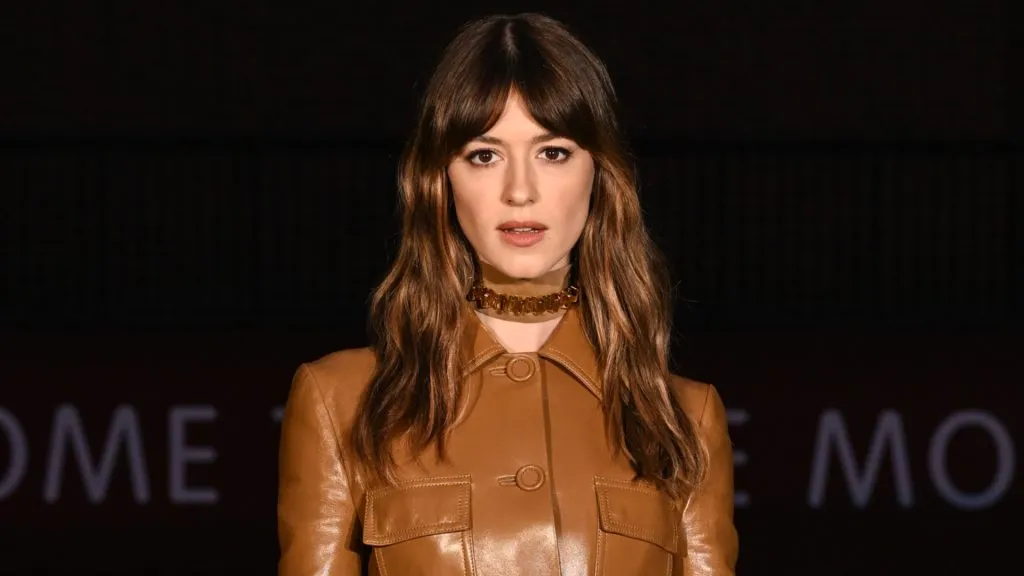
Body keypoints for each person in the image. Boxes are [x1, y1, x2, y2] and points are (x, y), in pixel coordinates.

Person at [277, 12, 738, 576]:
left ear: (599, 173)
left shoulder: (683, 419)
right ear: (440, 180)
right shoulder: (342, 403)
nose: (520, 191)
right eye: (484, 155)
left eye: (553, 152)